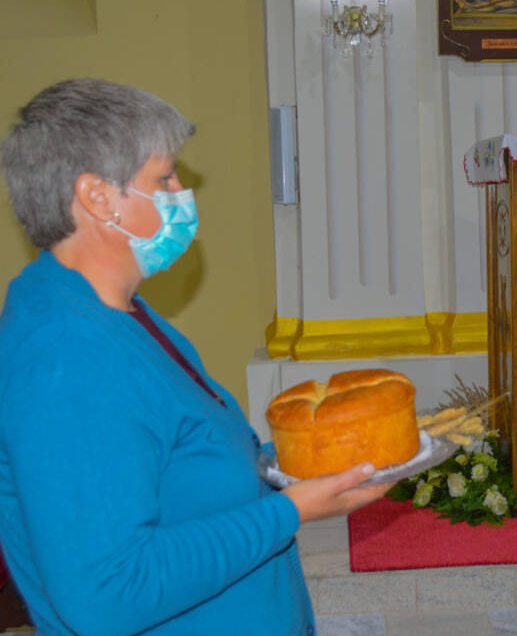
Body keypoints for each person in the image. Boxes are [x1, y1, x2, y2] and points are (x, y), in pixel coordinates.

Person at [0, 79, 392, 635]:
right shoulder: (67, 357)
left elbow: (186, 461)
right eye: (164, 178)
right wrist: (292, 511)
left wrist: (315, 457)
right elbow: (108, 594)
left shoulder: (116, 310)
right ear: (97, 196)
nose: (182, 193)